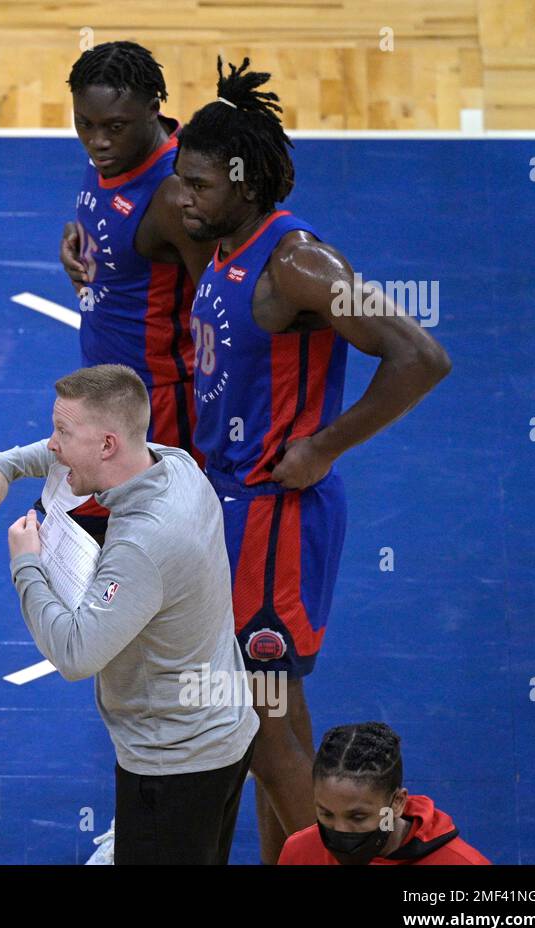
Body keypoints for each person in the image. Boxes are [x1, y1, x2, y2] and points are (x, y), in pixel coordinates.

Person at [174, 59, 452, 863]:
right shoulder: (224, 242)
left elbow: (419, 355)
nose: (181, 195)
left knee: (260, 726)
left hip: (274, 520)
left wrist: (325, 445)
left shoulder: (298, 262)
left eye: (197, 184)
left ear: (246, 182)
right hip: (233, 508)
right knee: (271, 720)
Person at [0, 364, 259, 864]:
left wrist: (25, 563)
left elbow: (75, 653)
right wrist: (7, 465)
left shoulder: (142, 545)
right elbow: (62, 454)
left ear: (107, 446)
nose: (53, 445)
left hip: (173, 765)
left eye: (63, 431)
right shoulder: (174, 463)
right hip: (220, 733)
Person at [60, 40, 217, 459]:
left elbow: (224, 312)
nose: (97, 142)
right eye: (84, 124)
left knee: (148, 524)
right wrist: (81, 242)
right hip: (104, 386)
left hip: (159, 406)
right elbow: (116, 223)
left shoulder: (174, 196)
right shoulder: (115, 152)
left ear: (153, 108)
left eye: (114, 127)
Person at [279, 722, 490, 865]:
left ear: (397, 802)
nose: (341, 831)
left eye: (358, 816)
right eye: (326, 814)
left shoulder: (458, 862)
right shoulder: (300, 853)